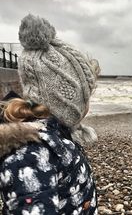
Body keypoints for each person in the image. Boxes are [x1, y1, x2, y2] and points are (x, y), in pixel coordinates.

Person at [0, 14, 100, 214]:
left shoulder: (56, 137)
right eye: (86, 97)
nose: (88, 105)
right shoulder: (31, 157)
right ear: (67, 101)